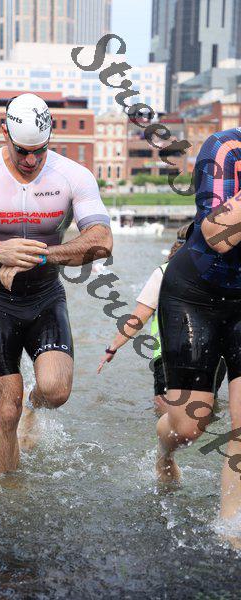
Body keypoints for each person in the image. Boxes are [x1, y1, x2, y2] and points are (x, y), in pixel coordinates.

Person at [0, 93, 112, 474]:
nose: (31, 160)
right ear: (4, 134)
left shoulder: (73, 176)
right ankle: (7, 494)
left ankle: (34, 405)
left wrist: (42, 255)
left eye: (39, 151)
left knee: (56, 391)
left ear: (50, 139)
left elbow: (101, 240)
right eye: (22, 151)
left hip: (45, 297)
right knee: (6, 405)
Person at [155, 128, 241, 525]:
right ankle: (164, 452)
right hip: (195, 295)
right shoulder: (225, 149)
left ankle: (231, 529)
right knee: (190, 426)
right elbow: (217, 236)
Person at [97, 224, 226, 415]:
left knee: (169, 418)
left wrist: (112, 347)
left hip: (171, 355)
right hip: (213, 356)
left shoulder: (164, 272)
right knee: (203, 416)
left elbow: (138, 318)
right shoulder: (223, 274)